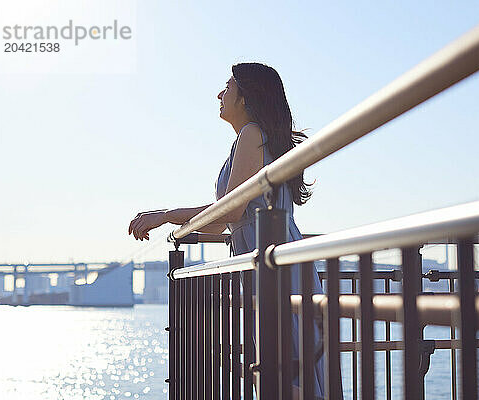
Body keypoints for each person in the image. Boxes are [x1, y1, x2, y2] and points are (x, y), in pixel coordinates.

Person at [128, 62, 330, 399]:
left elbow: (231, 210)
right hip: (268, 254)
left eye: (228, 87)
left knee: (279, 366)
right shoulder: (249, 138)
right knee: (281, 363)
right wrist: (173, 220)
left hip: (270, 257)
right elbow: (227, 219)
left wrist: (165, 215)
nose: (220, 94)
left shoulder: (251, 134)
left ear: (246, 97)